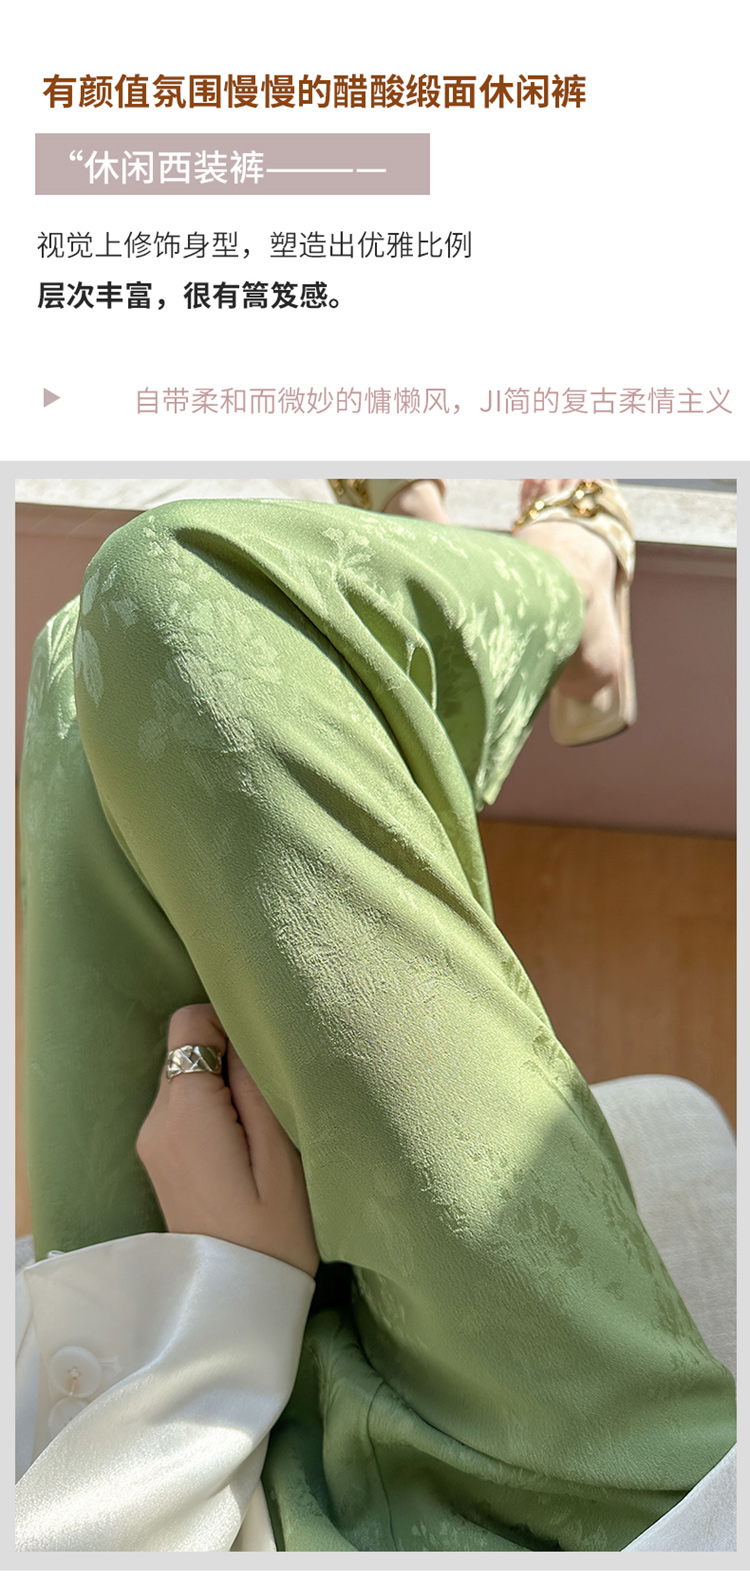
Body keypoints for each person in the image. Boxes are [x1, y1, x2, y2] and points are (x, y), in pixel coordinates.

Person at [17, 478, 736, 1552]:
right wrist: (230, 1296)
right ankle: (564, 592)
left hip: (100, 1436)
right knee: (184, 594)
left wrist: (207, 1308)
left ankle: (416, 691)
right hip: (549, 1527)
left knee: (76, 676)